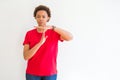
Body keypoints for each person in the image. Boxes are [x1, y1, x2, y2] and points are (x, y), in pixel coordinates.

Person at [23, 5, 73, 80]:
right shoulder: (29, 34)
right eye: (38, 16)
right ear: (35, 18)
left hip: (50, 73)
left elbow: (70, 37)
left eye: (43, 16)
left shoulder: (54, 33)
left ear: (48, 18)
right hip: (32, 73)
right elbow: (26, 56)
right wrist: (40, 43)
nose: (41, 19)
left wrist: (53, 28)